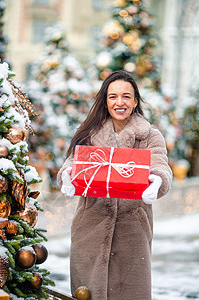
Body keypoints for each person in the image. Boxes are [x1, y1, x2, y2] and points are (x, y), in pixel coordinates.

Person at [57, 70, 172, 300]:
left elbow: (160, 164)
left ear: (135, 101)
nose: (120, 102)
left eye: (126, 96)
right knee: (86, 294)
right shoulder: (90, 133)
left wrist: (156, 180)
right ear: (105, 101)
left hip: (133, 232)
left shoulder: (149, 137)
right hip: (90, 229)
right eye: (113, 97)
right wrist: (67, 175)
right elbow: (73, 163)